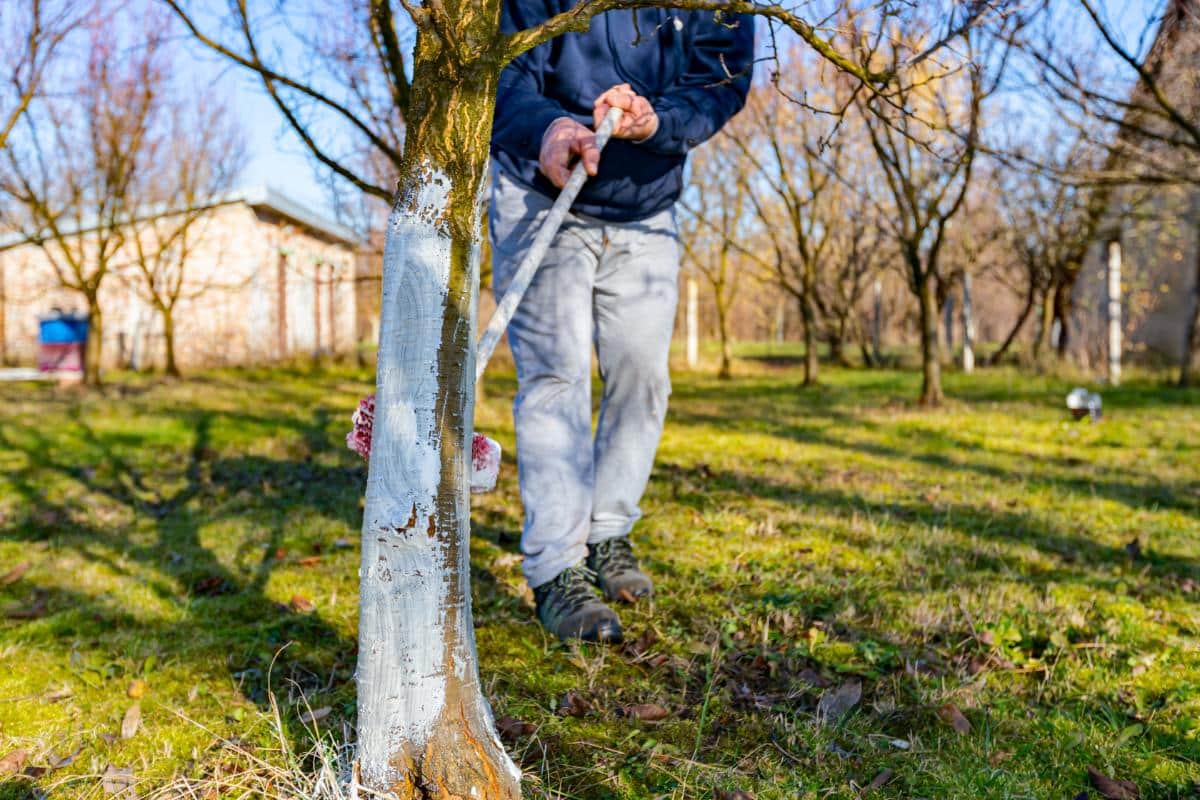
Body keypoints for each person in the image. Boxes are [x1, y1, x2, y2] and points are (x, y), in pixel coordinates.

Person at [490, 4, 755, 643]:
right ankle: (557, 567)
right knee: (557, 375)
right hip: (540, 187)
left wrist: (657, 120)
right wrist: (549, 128)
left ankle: (608, 531)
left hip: (646, 205)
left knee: (642, 375)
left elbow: (722, 79)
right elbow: (504, 71)